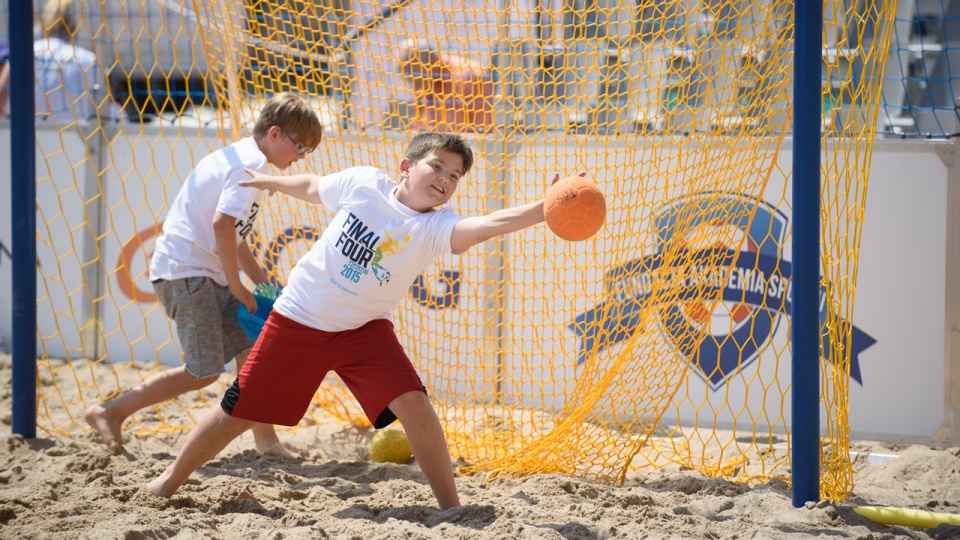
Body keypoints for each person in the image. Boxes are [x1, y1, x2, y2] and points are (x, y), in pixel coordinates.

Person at [145, 132, 570, 509]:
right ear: (406, 167)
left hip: (364, 330)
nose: (444, 177)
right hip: (299, 319)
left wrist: (544, 207)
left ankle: (451, 508)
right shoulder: (365, 184)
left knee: (416, 406)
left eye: (455, 175)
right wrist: (272, 181)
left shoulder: (437, 226)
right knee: (235, 413)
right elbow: (312, 186)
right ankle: (169, 480)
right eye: (436, 165)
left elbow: (487, 225)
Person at [84, 92, 323, 456]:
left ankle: (266, 440)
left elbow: (236, 238)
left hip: (198, 272)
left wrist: (262, 283)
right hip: (187, 275)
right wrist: (235, 284)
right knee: (203, 372)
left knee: (249, 350)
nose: (301, 157)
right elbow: (221, 225)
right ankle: (110, 411)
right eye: (300, 146)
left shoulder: (243, 157)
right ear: (275, 134)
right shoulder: (248, 165)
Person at [0, 0, 117, 123]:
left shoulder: (21, 56)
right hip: (78, 138)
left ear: (43, 23)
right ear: (73, 26)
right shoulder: (91, 61)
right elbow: (106, 114)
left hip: (28, 137)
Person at [397, 39, 493, 132]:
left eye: (414, 74)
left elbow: (485, 131)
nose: (413, 82)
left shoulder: (471, 75)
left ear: (431, 62)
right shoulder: (422, 81)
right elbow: (417, 127)